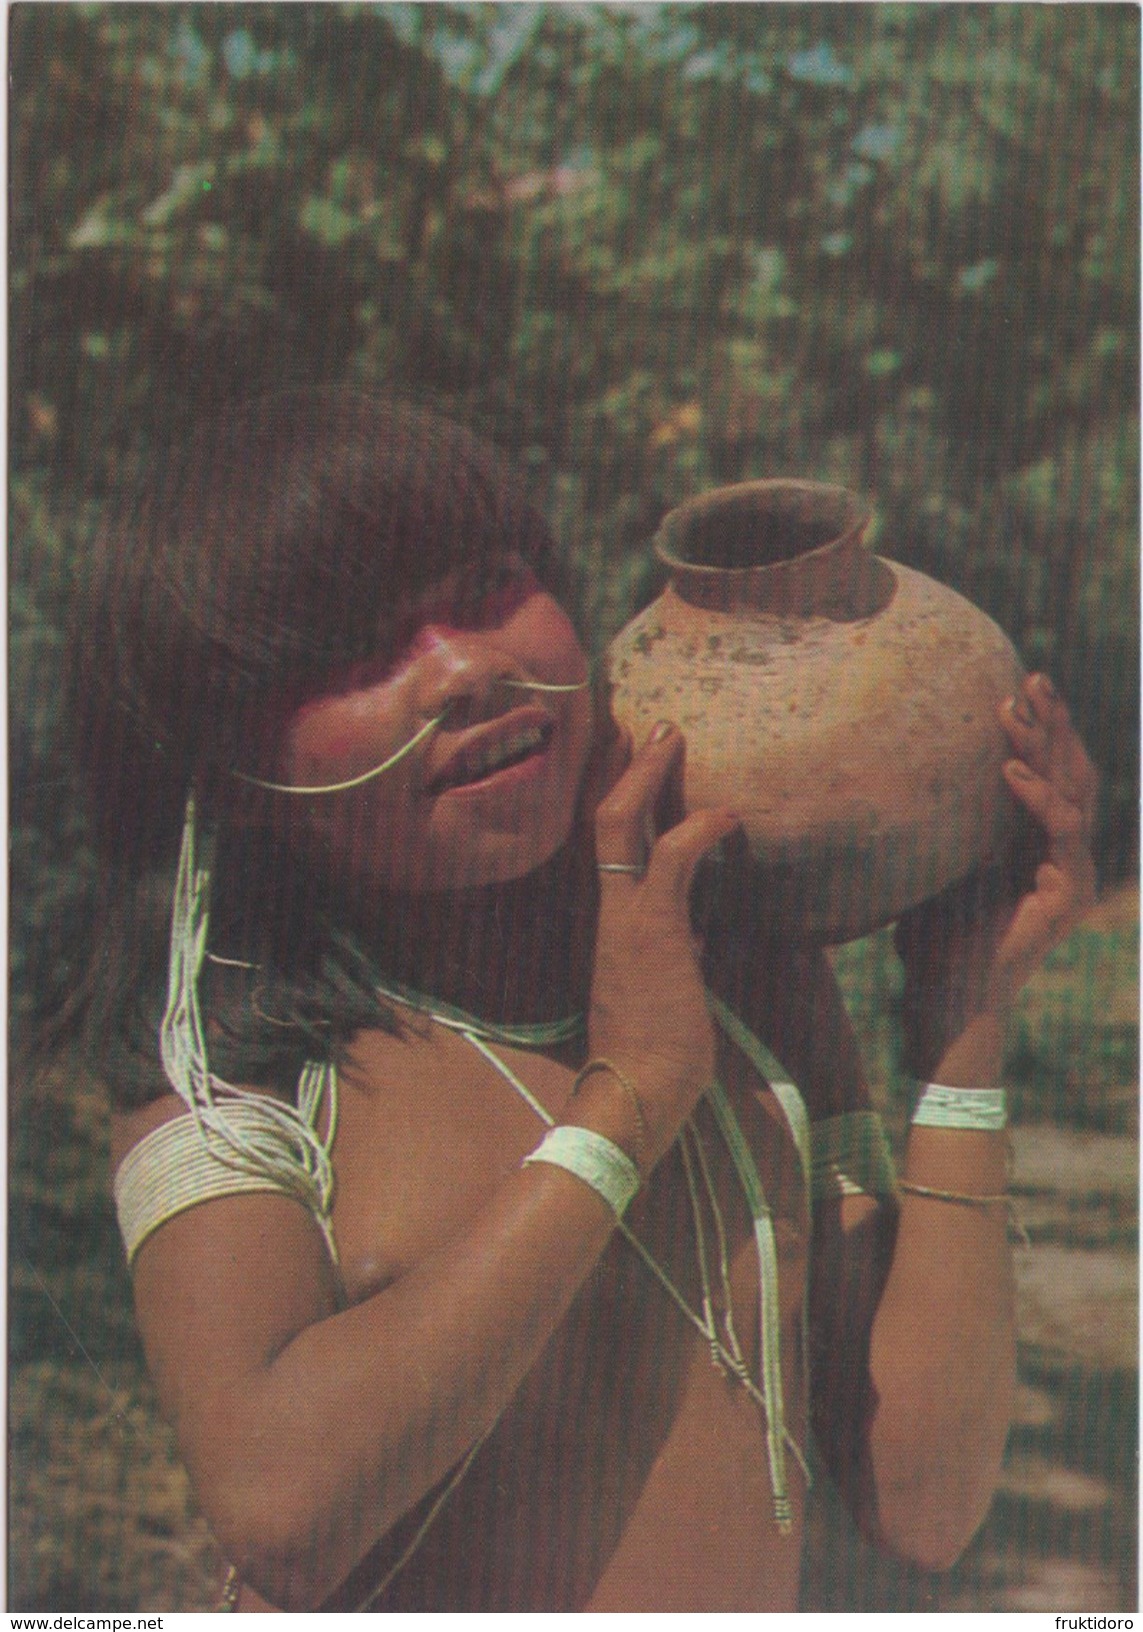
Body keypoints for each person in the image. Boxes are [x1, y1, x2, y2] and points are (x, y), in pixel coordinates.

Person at [72, 389, 1097, 1612]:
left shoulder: (733, 961)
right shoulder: (229, 1080)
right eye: (357, 653)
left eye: (492, 587)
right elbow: (284, 1514)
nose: (466, 669)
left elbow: (921, 1503)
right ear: (231, 777)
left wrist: (958, 1033)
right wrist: (626, 1106)